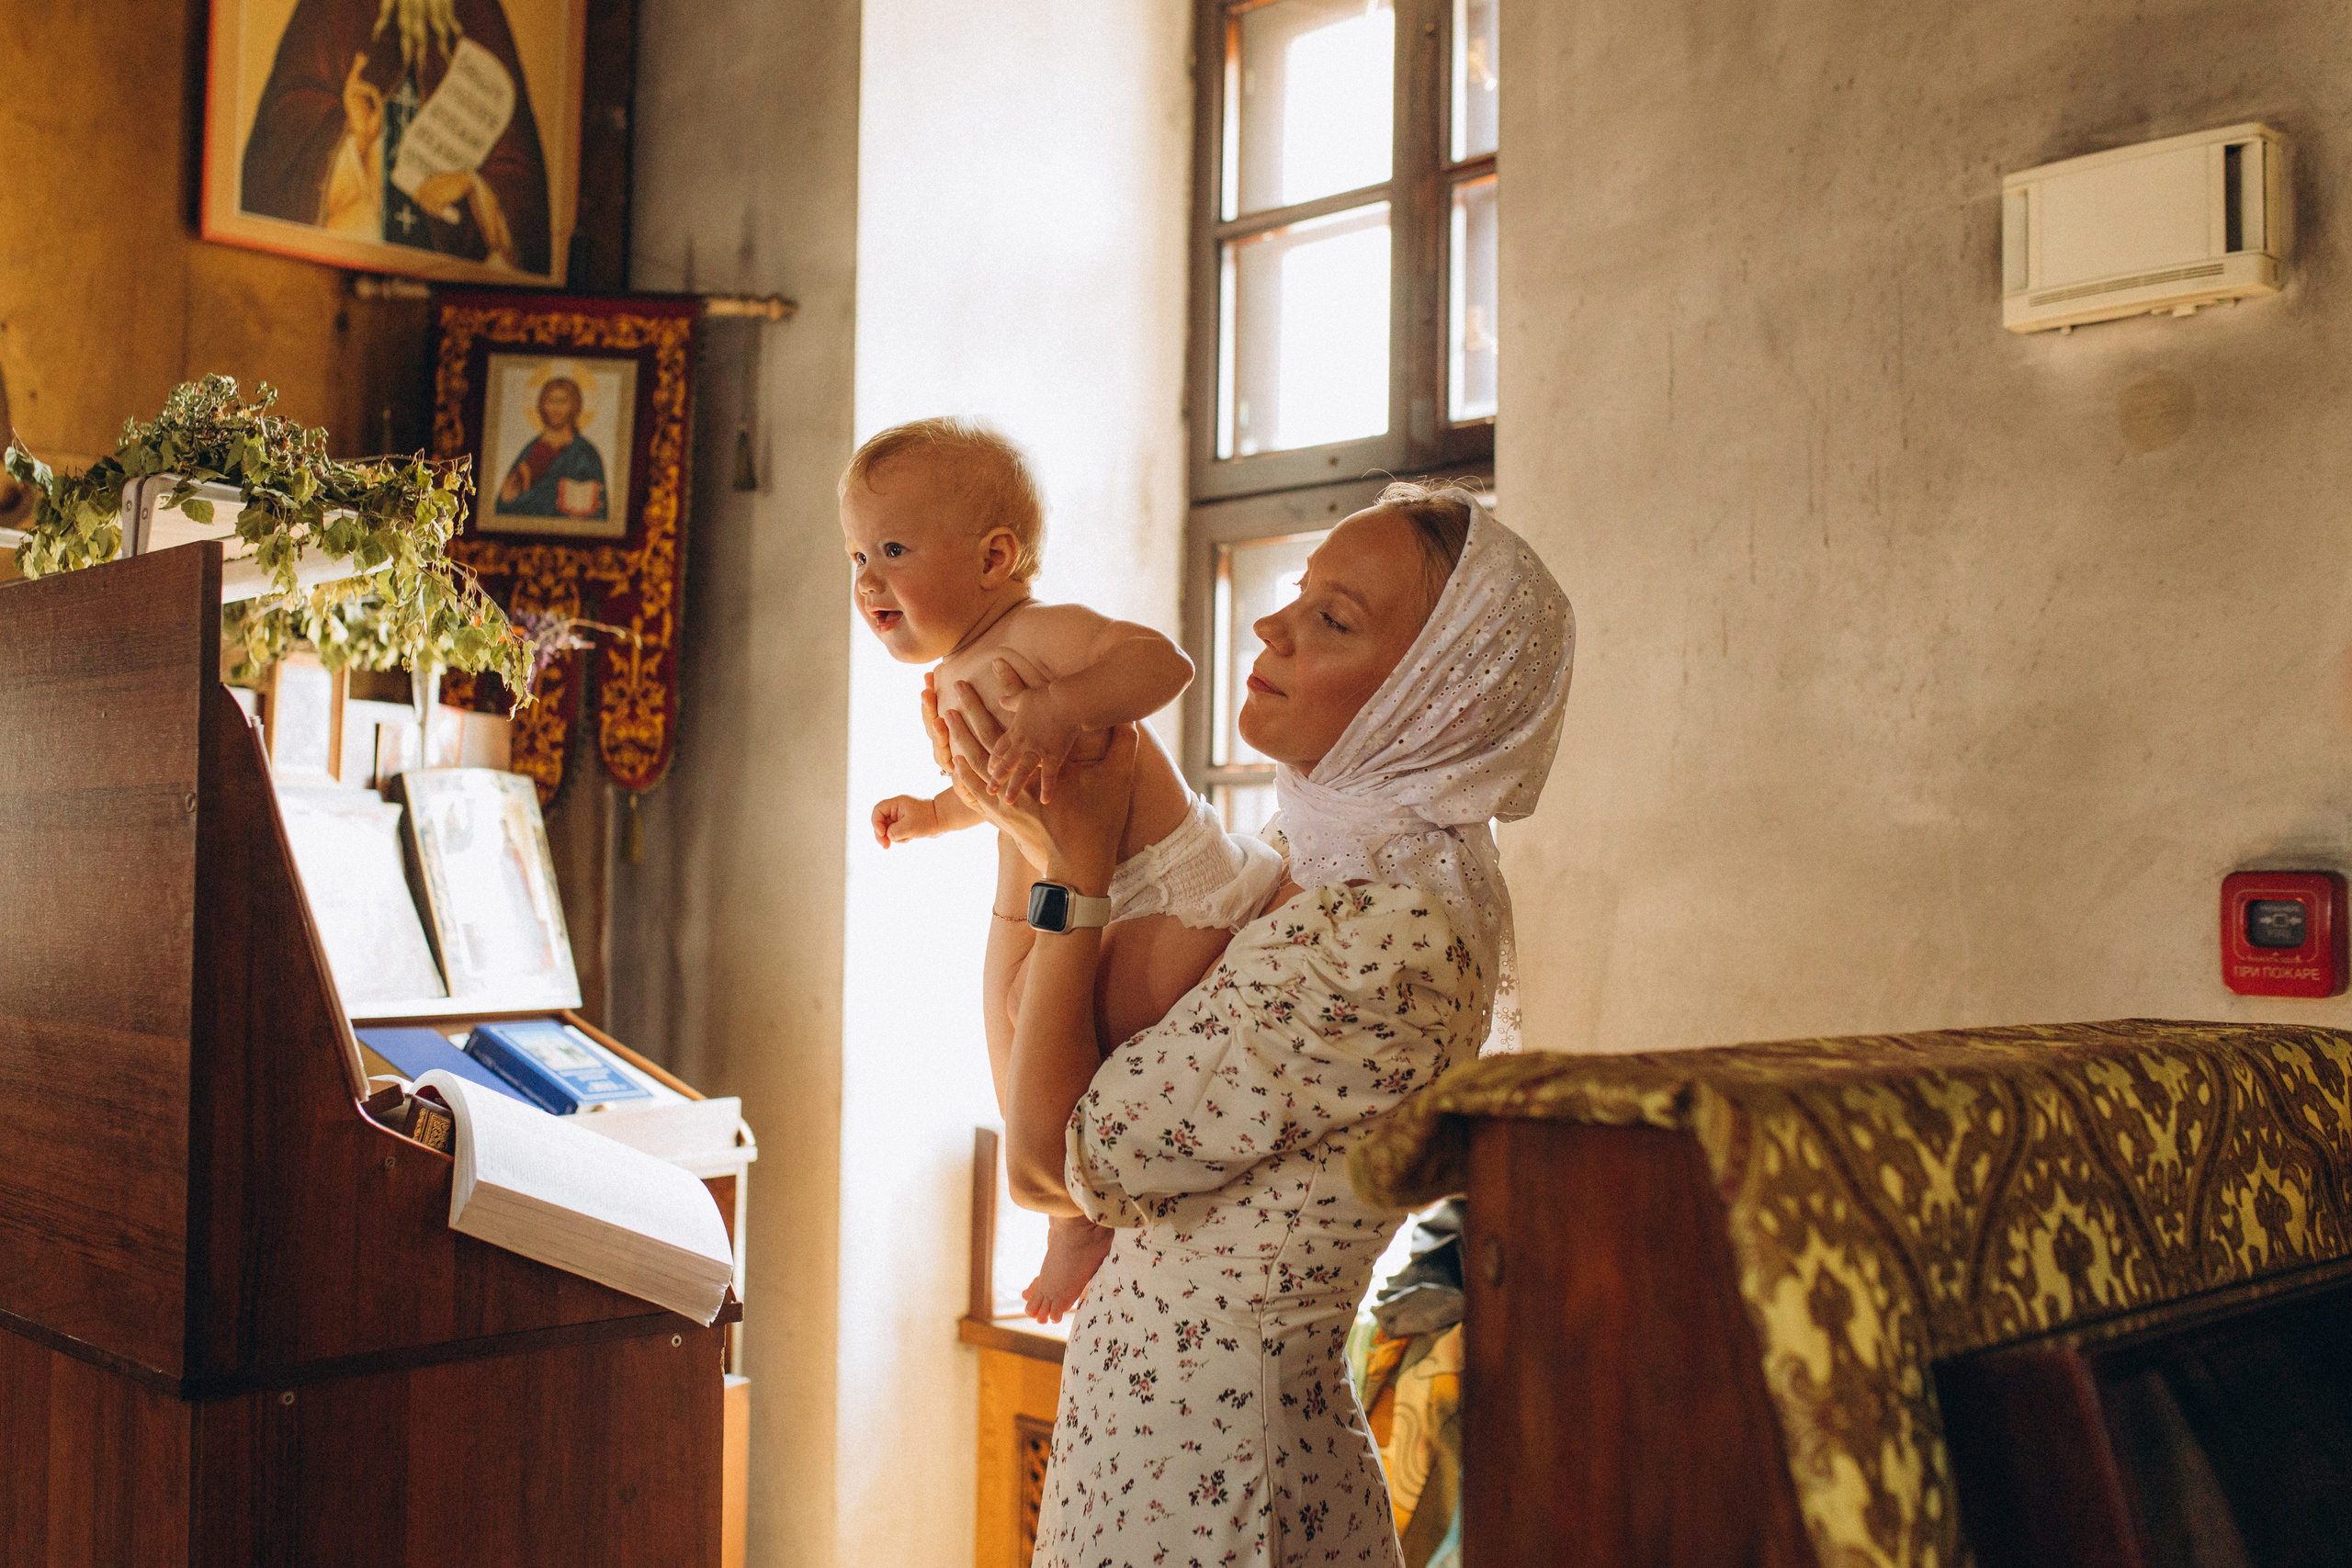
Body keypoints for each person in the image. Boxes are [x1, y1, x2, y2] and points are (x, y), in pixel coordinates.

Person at [933, 483, 1573, 1568]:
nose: (1273, 625)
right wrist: (1024, 841)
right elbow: (1040, 1085)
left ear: (1433, 697)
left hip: (1227, 1487)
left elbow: (1050, 1161)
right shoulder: (1314, 858)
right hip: (1155, 1445)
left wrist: (1073, 863)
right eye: (1300, 594)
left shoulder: (1388, 929)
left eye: (1334, 620)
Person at [843, 418, 1285, 1320]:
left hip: (1177, 890)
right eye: (854, 556)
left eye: (891, 549)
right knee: (1035, 1031)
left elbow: (1163, 663)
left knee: (1050, 1028)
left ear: (995, 556)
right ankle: (1078, 1215)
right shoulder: (957, 673)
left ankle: (1084, 1206)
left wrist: (1066, 704)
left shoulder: (1041, 635)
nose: (867, 581)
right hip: (1114, 901)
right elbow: (999, 787)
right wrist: (934, 813)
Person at [240, 0, 551, 273]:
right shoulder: (334, 7)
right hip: (350, 250)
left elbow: (519, 172)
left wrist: (472, 183)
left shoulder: (478, 12)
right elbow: (284, 129)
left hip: (447, 264)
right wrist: (350, 135)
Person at [496, 377, 607, 519]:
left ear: (574, 406)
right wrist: (508, 498)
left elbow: (599, 509)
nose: (556, 408)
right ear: (543, 405)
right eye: (551, 401)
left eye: (562, 401)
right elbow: (504, 503)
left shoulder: (585, 452)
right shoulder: (533, 448)